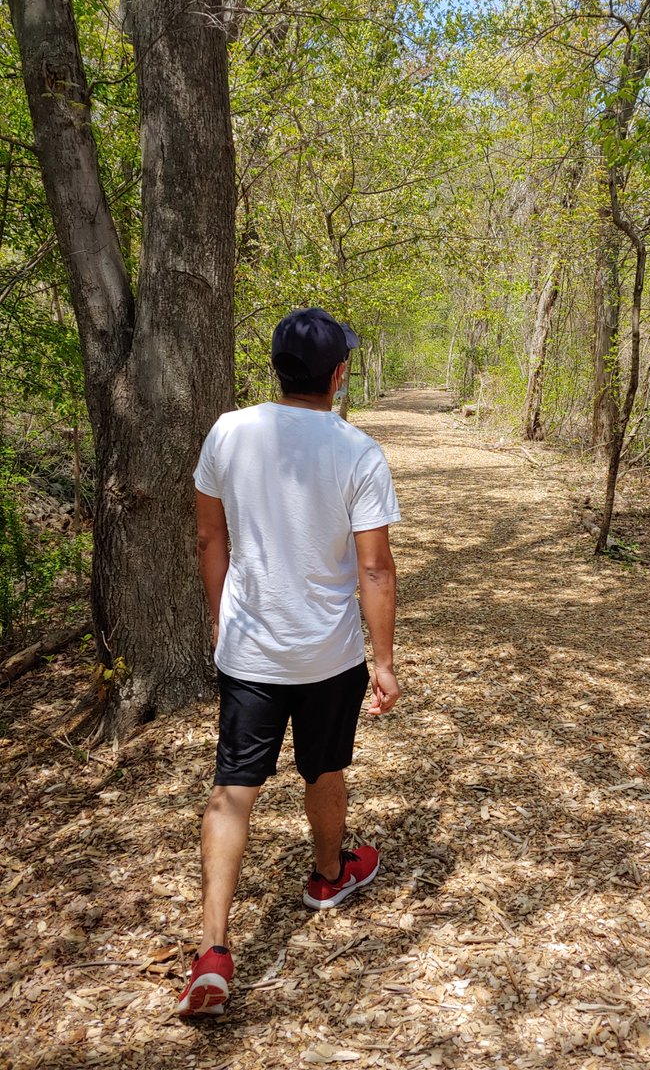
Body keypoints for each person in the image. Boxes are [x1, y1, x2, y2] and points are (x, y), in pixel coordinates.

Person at [177, 307, 401, 1019]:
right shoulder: (358, 451)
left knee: (233, 788)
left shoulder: (228, 432)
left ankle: (213, 951)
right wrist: (384, 660)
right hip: (328, 654)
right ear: (339, 374)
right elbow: (375, 569)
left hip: (250, 650)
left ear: (277, 368)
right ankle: (328, 875)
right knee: (324, 769)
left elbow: (209, 538)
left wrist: (222, 618)